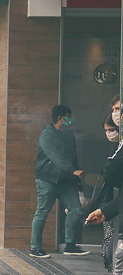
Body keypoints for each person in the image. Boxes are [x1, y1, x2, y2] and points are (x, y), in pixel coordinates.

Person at [31, 104, 87, 257]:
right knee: (42, 211)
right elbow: (54, 155)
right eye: (68, 117)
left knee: (75, 209)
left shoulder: (69, 135)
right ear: (60, 118)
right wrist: (72, 170)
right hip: (47, 179)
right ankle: (35, 248)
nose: (71, 120)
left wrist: (75, 178)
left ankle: (70, 245)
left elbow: (73, 157)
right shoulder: (47, 134)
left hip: (66, 180)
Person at [86, 109, 123, 275]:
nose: (109, 133)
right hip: (112, 206)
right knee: (111, 253)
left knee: (114, 253)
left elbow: (112, 173)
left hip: (115, 207)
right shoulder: (115, 147)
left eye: (111, 129)